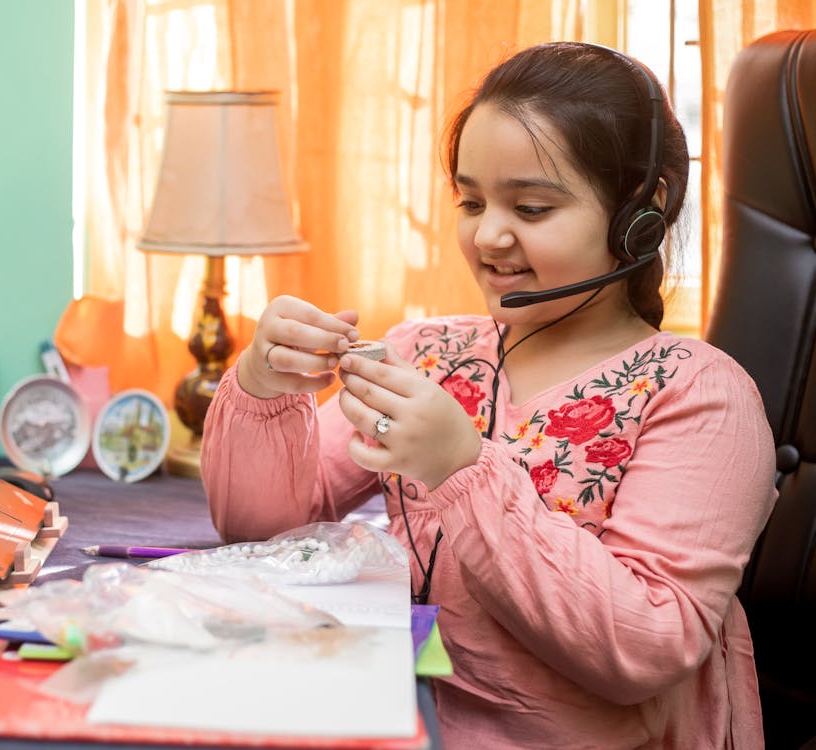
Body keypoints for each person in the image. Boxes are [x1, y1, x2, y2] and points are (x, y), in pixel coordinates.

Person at [200, 41, 777, 749]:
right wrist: (264, 384)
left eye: (531, 207)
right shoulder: (429, 354)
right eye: (470, 201)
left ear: (642, 212)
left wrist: (461, 468)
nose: (487, 235)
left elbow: (645, 649)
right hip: (403, 718)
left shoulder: (699, 394)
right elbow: (262, 531)